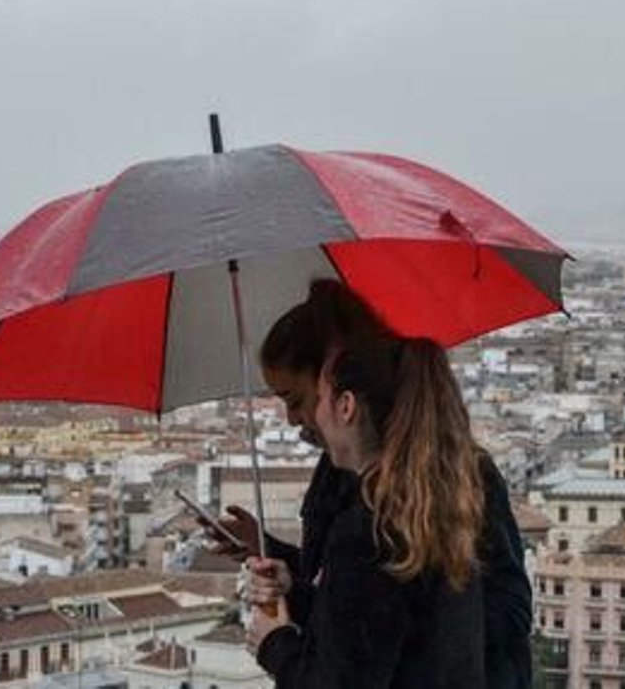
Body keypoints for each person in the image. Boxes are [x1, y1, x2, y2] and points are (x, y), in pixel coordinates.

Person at [202, 279, 533, 687]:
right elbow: (361, 608)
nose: (294, 419)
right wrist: (279, 564)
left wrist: (277, 645)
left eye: (301, 399)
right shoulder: (353, 483)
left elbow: (376, 615)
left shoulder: (422, 495)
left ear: (345, 401)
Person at [245, 337, 486, 687]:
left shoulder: (366, 532)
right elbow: (375, 634)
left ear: (346, 406)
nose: (315, 414)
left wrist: (274, 645)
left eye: (321, 396)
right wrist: (294, 590)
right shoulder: (433, 507)